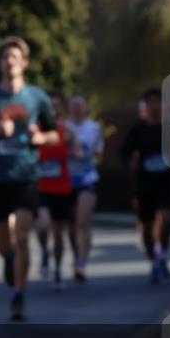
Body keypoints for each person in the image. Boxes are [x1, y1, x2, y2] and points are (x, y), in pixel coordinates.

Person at [0, 37, 58, 322]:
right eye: (5, 57)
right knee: (5, 243)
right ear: (0, 63)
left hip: (26, 174)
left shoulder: (37, 97)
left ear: (24, 63)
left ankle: (19, 296)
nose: (10, 61)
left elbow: (54, 133)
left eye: (15, 56)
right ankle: (9, 260)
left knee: (23, 235)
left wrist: (40, 137)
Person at [120, 88, 170, 284]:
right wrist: (131, 162)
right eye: (151, 101)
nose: (155, 105)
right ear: (146, 105)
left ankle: (164, 253)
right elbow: (124, 152)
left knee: (166, 220)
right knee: (148, 226)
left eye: (158, 101)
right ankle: (154, 260)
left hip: (167, 183)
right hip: (145, 184)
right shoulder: (138, 129)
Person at [35, 91, 73, 291]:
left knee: (59, 234)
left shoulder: (66, 130)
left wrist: (77, 151)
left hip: (62, 187)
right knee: (42, 226)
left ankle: (57, 269)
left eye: (56, 105)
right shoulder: (36, 131)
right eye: (49, 105)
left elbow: (80, 153)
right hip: (41, 188)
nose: (52, 109)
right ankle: (43, 251)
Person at [66, 94, 103, 282]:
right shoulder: (63, 127)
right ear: (69, 108)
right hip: (67, 180)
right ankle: (76, 253)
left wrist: (86, 153)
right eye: (74, 106)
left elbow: (98, 152)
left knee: (83, 222)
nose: (77, 109)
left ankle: (82, 261)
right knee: (71, 226)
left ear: (85, 108)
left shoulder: (93, 128)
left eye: (80, 105)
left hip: (87, 178)